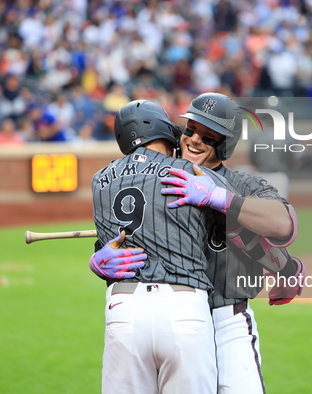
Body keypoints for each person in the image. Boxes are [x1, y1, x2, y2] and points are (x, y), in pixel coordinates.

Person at [91, 93, 305, 393]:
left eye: (209, 137)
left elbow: (283, 223)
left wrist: (222, 199)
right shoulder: (161, 176)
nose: (194, 140)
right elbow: (119, 237)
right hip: (180, 316)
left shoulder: (243, 184)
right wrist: (98, 260)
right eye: (190, 130)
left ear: (227, 144)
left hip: (226, 320)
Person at [91, 99, 239, 394]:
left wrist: (95, 259)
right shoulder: (191, 172)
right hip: (184, 305)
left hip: (123, 307)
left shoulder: (99, 181)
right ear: (166, 131)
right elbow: (246, 220)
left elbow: (108, 244)